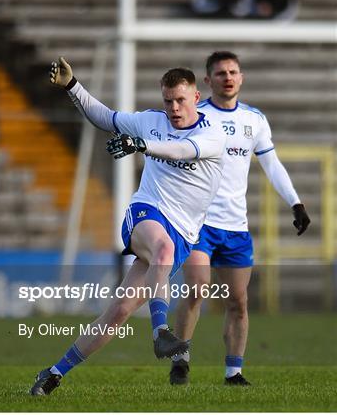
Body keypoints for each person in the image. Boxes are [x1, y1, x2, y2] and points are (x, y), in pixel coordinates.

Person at [30, 57, 226, 396]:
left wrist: (141, 145)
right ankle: (161, 332)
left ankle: (54, 373)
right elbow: (106, 118)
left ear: (196, 97)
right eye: (168, 101)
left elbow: (182, 150)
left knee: (118, 312)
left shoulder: (212, 134)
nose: (174, 108)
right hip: (146, 213)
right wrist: (72, 87)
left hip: (182, 233)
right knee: (161, 248)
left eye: (181, 100)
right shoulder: (151, 121)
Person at [169, 51, 310, 386]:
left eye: (233, 72)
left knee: (239, 301)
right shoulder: (194, 116)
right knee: (196, 288)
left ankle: (234, 372)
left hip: (236, 227)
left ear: (242, 77)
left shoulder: (255, 120)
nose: (227, 77)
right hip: (198, 223)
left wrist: (296, 203)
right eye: (220, 73)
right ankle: (180, 360)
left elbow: (271, 164)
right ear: (207, 81)